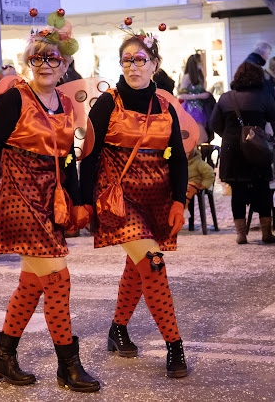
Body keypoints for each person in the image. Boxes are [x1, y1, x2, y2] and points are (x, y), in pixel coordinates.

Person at [0, 11, 100, 392]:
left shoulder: (64, 101)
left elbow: (67, 157)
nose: (46, 65)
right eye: (38, 58)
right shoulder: (13, 99)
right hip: (16, 195)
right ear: (29, 61)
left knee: (35, 280)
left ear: (64, 64)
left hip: (49, 199)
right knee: (58, 278)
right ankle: (67, 364)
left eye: (53, 58)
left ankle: (2, 355)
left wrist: (77, 201)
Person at [79, 26, 189, 379]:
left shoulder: (165, 104)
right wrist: (83, 202)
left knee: (137, 265)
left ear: (154, 64)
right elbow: (90, 155)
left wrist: (178, 201)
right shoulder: (108, 102)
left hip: (156, 198)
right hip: (118, 199)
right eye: (126, 60)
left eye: (140, 59)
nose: (132, 66)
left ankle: (118, 329)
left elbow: (178, 159)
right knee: (152, 261)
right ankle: (175, 346)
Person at [212, 62, 275, 244]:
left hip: (232, 150)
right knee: (263, 190)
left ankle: (241, 234)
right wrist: (268, 140)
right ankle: (266, 233)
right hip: (257, 150)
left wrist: (230, 136)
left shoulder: (226, 98)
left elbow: (214, 124)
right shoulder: (264, 97)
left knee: (238, 191)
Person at [177, 53, 215, 144]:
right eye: (200, 62)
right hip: (191, 109)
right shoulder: (187, 77)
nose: (201, 64)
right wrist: (198, 96)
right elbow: (181, 95)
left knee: (203, 137)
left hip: (200, 108)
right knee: (201, 137)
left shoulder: (200, 76)